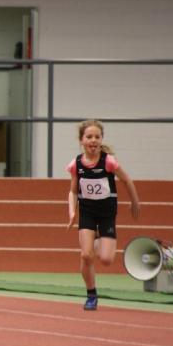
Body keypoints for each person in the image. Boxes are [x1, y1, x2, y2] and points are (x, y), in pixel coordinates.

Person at [67, 119, 140, 311]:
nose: (93, 140)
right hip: (87, 213)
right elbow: (73, 191)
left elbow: (127, 181)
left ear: (101, 139)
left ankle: (98, 238)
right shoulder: (76, 164)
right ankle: (91, 294)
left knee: (106, 259)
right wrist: (72, 211)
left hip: (106, 214)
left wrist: (134, 202)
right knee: (86, 255)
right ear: (81, 140)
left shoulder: (108, 161)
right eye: (89, 136)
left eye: (97, 137)